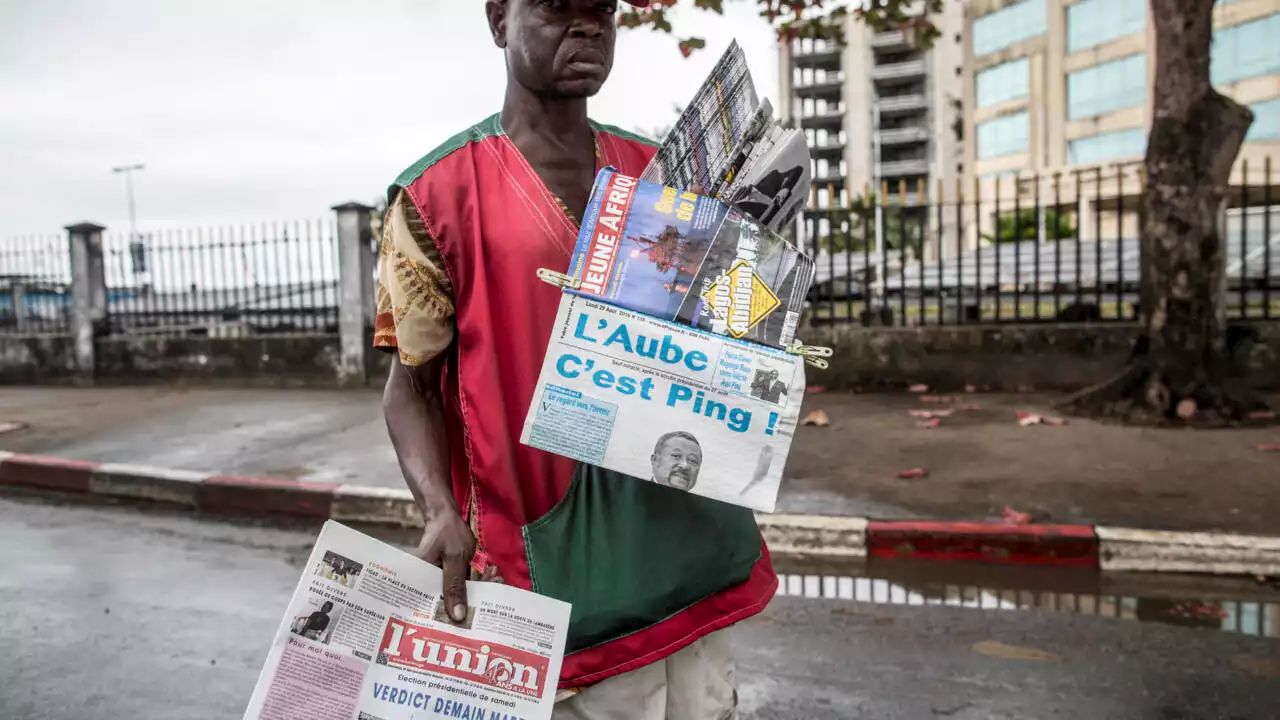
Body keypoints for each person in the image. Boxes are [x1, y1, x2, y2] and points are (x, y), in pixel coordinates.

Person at [375, 1, 776, 717]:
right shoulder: (435, 197)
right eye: (558, 8)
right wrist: (439, 509)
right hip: (544, 559)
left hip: (680, 544)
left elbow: (720, 331)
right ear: (500, 20)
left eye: (600, 11)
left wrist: (758, 258)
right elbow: (409, 387)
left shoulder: (660, 169)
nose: (585, 27)